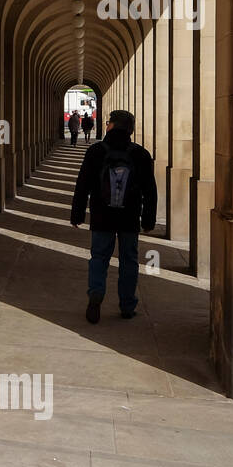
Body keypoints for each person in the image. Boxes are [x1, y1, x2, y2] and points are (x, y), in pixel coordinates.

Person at [69, 110, 157, 321]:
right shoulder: (140, 154)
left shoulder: (96, 151)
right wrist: (148, 220)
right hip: (129, 216)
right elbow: (150, 190)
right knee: (129, 260)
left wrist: (77, 214)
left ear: (111, 126)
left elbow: (83, 185)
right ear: (130, 129)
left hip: (102, 215)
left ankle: (96, 294)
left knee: (98, 257)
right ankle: (127, 305)